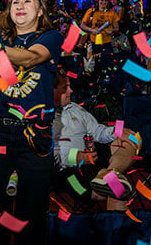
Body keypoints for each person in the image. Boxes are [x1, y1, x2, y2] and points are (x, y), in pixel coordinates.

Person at [0, 0, 63, 245]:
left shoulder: (50, 37)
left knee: (32, 209)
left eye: (28, 1)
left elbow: (32, 58)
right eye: (15, 2)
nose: (20, 6)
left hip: (36, 134)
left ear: (40, 10)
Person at [52, 70, 138, 210]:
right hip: (69, 175)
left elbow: (97, 131)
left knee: (130, 140)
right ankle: (116, 228)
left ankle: (109, 172)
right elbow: (45, 159)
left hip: (93, 157)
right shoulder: (42, 119)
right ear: (52, 91)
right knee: (118, 188)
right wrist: (76, 157)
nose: (71, 90)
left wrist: (118, 130)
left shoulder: (74, 108)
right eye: (65, 88)